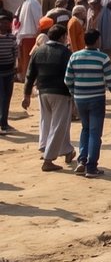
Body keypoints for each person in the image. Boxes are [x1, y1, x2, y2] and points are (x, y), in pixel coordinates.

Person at [65, 28, 111, 177]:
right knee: (95, 133)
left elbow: (68, 79)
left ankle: (82, 161)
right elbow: (110, 80)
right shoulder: (102, 58)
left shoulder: (74, 56)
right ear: (96, 41)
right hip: (96, 98)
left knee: (85, 129)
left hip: (80, 98)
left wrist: (74, 92)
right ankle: (92, 166)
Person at [22, 25, 75, 171]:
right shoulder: (66, 52)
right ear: (62, 37)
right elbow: (70, 75)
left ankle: (65, 150)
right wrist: (74, 94)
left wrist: (26, 95)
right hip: (60, 92)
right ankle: (48, 159)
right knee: (59, 125)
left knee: (47, 122)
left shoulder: (38, 51)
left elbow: (30, 74)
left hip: (43, 92)